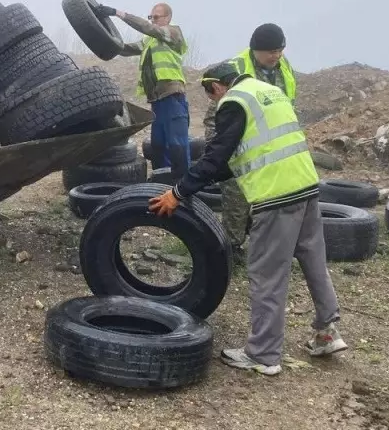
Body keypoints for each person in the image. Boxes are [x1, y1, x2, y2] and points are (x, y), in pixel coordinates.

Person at [148, 61, 346, 376]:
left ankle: (264, 355)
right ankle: (327, 333)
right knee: (314, 262)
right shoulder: (269, 92)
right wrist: (201, 181)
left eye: (210, 96)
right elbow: (245, 154)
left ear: (215, 86)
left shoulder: (233, 102)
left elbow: (216, 156)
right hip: (306, 188)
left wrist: (179, 192)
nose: (213, 102)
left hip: (276, 196)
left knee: (267, 275)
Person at [203, 22, 298, 263]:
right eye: (271, 52)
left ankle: (265, 244)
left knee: (269, 198)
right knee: (236, 195)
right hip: (239, 143)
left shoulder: (283, 67)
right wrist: (218, 153)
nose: (276, 56)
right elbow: (215, 115)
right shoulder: (235, 69)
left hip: (270, 145)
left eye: (280, 50)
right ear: (256, 49)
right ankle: (231, 248)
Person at [93, 1, 191, 178]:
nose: (152, 20)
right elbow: (125, 49)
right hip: (157, 101)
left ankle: (185, 186)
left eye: (156, 17)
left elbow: (147, 28)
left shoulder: (173, 33)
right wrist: (100, 34)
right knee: (158, 146)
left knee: (177, 145)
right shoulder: (149, 41)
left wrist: (117, 12)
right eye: (150, 17)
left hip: (173, 97)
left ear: (168, 18)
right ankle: (164, 186)